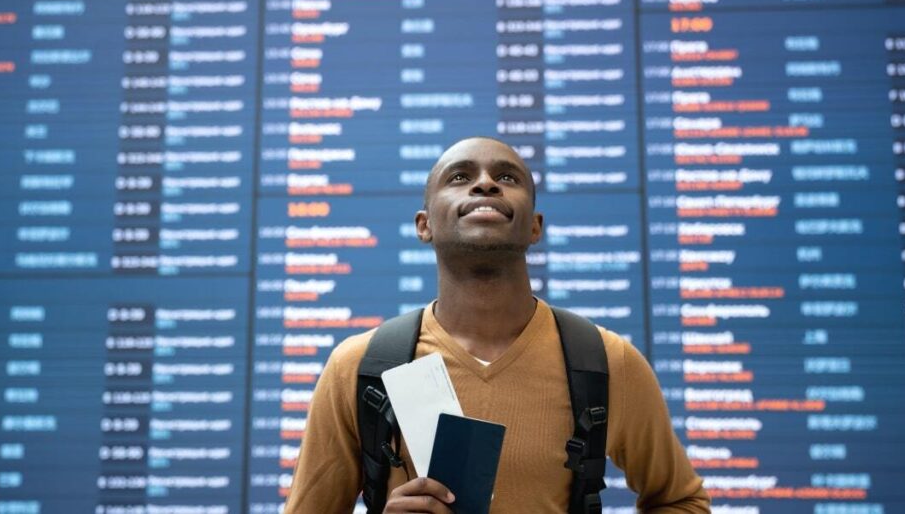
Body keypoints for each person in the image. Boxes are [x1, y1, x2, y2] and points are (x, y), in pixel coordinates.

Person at [285, 137, 710, 513]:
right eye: (459, 177)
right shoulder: (359, 367)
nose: (486, 183)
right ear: (424, 225)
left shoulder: (605, 360)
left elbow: (682, 502)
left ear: (535, 227)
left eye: (507, 177)